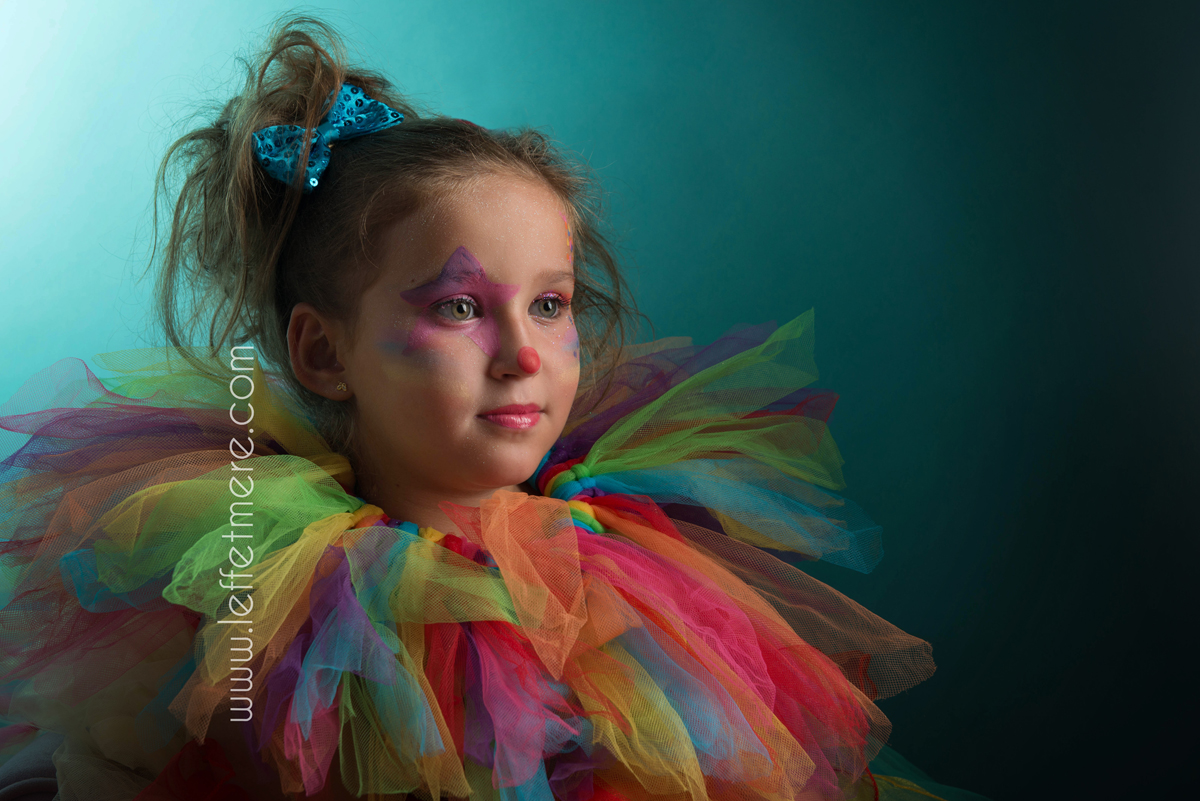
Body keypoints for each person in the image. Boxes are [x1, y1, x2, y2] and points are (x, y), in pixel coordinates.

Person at [0, 15, 987, 801]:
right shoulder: (263, 606)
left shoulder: (632, 582)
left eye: (550, 305)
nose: (523, 355)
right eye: (461, 308)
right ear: (323, 353)